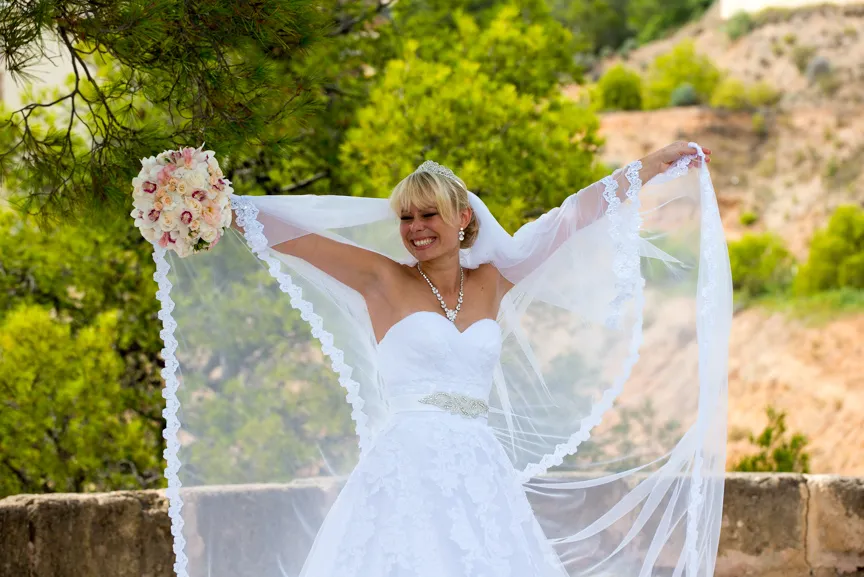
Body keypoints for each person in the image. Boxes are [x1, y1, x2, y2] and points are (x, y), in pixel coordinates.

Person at [153, 141, 731, 577]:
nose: (415, 229)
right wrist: (208, 200)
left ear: (463, 219)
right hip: (405, 468)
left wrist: (649, 166)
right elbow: (288, 235)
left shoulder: (493, 282)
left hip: (480, 472)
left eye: (428, 215)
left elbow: (570, 219)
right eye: (406, 218)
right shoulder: (381, 279)